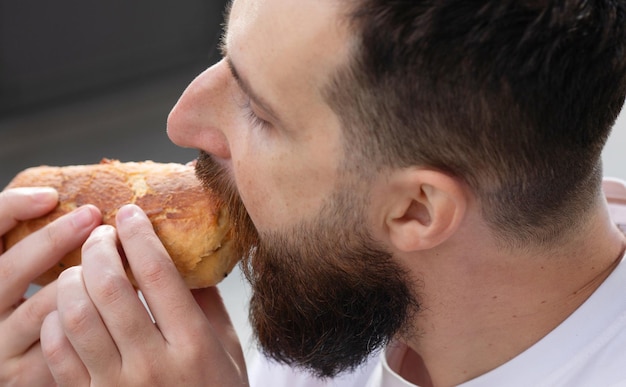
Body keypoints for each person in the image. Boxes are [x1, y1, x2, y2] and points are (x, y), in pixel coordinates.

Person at [2, 0, 626, 385]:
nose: (181, 122)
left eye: (258, 109)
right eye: (225, 58)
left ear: (415, 209)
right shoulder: (343, 289)